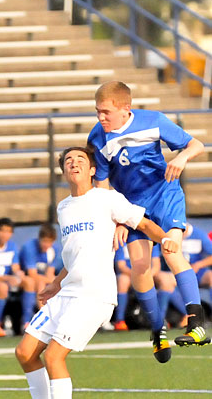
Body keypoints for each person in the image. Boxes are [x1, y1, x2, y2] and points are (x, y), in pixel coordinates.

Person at [15, 145, 179, 399]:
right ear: (64, 171)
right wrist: (56, 283)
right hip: (67, 293)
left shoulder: (107, 198)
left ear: (92, 169)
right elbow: (72, 256)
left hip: (94, 296)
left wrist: (166, 239)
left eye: (80, 159)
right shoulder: (63, 208)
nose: (74, 163)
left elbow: (144, 223)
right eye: (68, 160)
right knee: (24, 353)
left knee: (54, 356)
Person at [87, 81, 210, 357]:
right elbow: (103, 184)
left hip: (164, 193)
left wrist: (182, 158)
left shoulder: (153, 121)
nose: (100, 117)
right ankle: (157, 329)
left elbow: (196, 144)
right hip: (130, 204)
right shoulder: (98, 137)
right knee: (140, 267)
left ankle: (197, 323)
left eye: (106, 112)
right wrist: (117, 218)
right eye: (97, 111)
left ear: (125, 109)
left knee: (171, 250)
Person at [0, 217, 36, 337]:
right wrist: (7, 278)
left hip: (8, 280)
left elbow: (15, 267)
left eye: (8, 231)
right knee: (2, 287)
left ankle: (26, 323)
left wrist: (18, 274)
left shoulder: (12, 246)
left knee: (29, 282)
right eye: (2, 231)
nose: (5, 235)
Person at [114, 244, 160, 331]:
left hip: (147, 275)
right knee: (123, 280)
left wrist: (147, 276)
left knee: (167, 281)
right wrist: (136, 275)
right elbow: (121, 266)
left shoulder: (150, 238)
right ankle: (119, 320)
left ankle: (159, 318)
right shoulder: (122, 238)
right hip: (129, 274)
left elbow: (156, 266)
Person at [19, 223, 62, 309]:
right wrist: (53, 280)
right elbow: (32, 274)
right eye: (44, 241)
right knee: (39, 283)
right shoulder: (30, 248)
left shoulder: (54, 250)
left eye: (49, 242)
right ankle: (40, 313)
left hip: (42, 278)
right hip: (24, 278)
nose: (46, 245)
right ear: (39, 239)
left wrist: (55, 281)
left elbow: (50, 273)